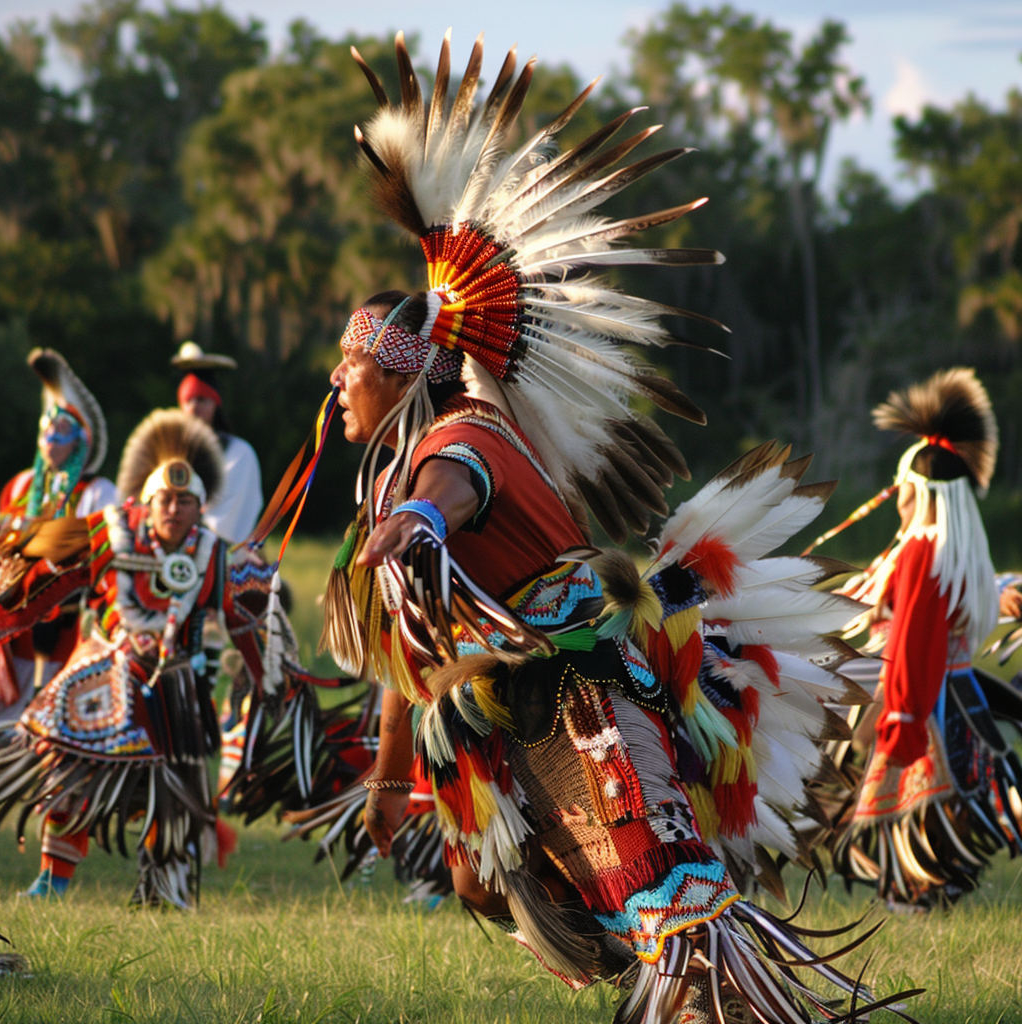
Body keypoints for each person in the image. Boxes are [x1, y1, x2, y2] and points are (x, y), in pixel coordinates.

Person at [301, 33, 909, 1024]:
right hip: (534, 701)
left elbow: (457, 487)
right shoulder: (459, 432)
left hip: (584, 697)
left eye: (350, 361)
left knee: (672, 909)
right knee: (509, 882)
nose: (336, 378)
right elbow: (414, 649)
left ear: (404, 370)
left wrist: (418, 516)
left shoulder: (458, 440)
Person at [0, 409, 283, 906]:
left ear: (200, 508)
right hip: (103, 669)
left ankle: (165, 890)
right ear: (147, 503)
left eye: (185, 502)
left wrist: (266, 681)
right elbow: (48, 578)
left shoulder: (214, 555)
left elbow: (244, 621)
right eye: (166, 500)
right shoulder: (110, 533)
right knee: (66, 765)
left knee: (172, 793)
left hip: (174, 686)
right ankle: (52, 879)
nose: (174, 510)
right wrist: (10, 611)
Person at [831, 368, 1022, 906]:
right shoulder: (965, 553)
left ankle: (913, 893)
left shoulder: (921, 554)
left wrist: (903, 718)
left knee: (909, 812)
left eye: (902, 490)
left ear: (919, 490)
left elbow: (915, 641)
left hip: (919, 701)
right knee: (944, 810)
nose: (897, 502)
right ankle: (933, 889)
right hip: (962, 696)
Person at [0, 349, 116, 721]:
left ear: (82, 440)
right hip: (12, 628)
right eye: (46, 428)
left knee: (53, 724)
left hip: (70, 628)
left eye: (62, 430)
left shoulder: (98, 492)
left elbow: (106, 556)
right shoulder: (20, 485)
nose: (51, 438)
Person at [172, 341, 262, 546]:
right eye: (189, 401)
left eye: (202, 400)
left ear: (215, 404)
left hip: (223, 555)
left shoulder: (239, 454)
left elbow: (227, 524)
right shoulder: (168, 451)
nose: (194, 408)